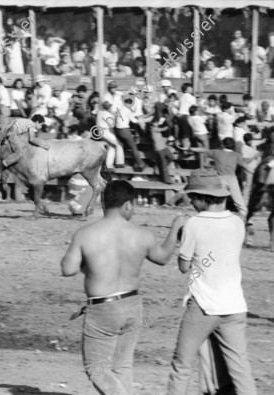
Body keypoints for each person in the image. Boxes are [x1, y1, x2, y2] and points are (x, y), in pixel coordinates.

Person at [60, 180, 188, 395]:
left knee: (96, 367)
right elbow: (164, 257)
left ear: (103, 202)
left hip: (102, 308)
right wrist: (175, 228)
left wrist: (89, 266)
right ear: (128, 205)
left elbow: (68, 269)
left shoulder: (86, 234)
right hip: (132, 304)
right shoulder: (142, 234)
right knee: (122, 366)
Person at [167, 169, 258, 395]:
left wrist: (178, 230)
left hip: (204, 305)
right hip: (235, 304)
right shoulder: (237, 222)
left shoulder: (194, 224)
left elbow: (184, 266)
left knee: (182, 364)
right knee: (240, 368)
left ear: (199, 197)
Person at [182, 137, 252, 220]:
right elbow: (246, 166)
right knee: (239, 201)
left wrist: (190, 148)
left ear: (223, 145)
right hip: (232, 179)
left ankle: (219, 218)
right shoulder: (236, 155)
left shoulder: (217, 152)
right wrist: (254, 172)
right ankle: (246, 219)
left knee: (220, 199)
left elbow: (203, 150)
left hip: (220, 179)